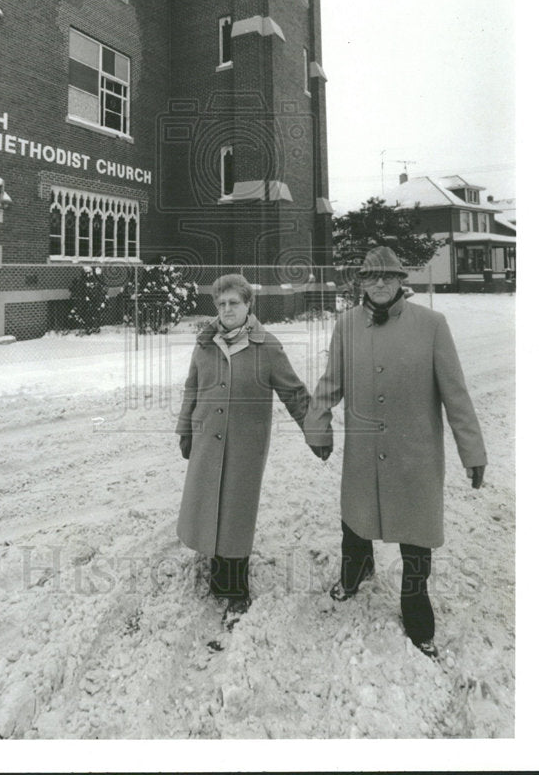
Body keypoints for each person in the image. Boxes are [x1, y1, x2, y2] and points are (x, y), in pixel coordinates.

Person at [304, 246, 487, 659]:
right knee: (355, 521)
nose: (381, 283)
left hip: (414, 456)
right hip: (364, 453)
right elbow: (330, 383)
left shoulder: (432, 325)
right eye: (372, 277)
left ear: (401, 280)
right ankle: (355, 570)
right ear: (362, 283)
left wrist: (472, 451)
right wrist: (316, 425)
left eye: (388, 276)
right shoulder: (347, 325)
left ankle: (415, 601)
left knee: (416, 537)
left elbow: (456, 396)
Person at [176, 274, 311, 627]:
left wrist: (315, 429)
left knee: (236, 511)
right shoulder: (205, 343)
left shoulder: (266, 346)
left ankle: (236, 590)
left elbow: (293, 391)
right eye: (220, 304)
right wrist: (185, 429)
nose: (226, 309)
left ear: (249, 304)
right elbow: (192, 388)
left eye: (234, 303)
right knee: (209, 503)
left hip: (245, 445)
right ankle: (216, 570)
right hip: (208, 438)